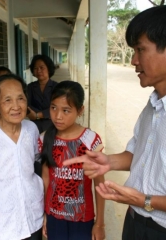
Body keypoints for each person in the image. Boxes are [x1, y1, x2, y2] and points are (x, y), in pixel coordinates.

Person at [63, 6, 166, 240]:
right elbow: (139, 154)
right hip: (135, 221)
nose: (134, 61)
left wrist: (143, 200)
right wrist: (107, 162)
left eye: (140, 50)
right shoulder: (152, 107)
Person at [0, 74, 44, 240]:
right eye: (7, 100)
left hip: (33, 215)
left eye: (20, 98)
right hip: (3, 222)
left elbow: (36, 161)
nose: (16, 106)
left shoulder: (31, 129)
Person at [39, 80, 105, 240]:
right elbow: (46, 179)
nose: (58, 116)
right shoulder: (45, 138)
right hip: (55, 217)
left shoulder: (90, 141)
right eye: (53, 108)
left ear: (80, 110)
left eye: (66, 110)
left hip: (82, 218)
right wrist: (45, 215)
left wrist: (100, 223)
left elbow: (99, 185)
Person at [27, 54, 58, 134]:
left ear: (48, 69)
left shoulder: (57, 87)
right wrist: (32, 114)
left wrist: (38, 115)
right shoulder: (30, 87)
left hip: (53, 125)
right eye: (36, 68)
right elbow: (27, 104)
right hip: (34, 125)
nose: (39, 71)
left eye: (42, 67)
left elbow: (58, 107)